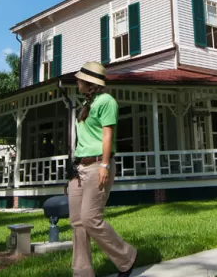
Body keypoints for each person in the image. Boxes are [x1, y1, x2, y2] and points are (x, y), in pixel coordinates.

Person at [69, 61, 137, 277]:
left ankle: (126, 257)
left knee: (90, 218)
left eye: (80, 78)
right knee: (77, 222)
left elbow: (108, 134)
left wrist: (105, 165)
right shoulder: (86, 104)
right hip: (80, 168)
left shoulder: (107, 101)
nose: (77, 81)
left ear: (89, 81)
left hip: (99, 164)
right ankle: (82, 272)